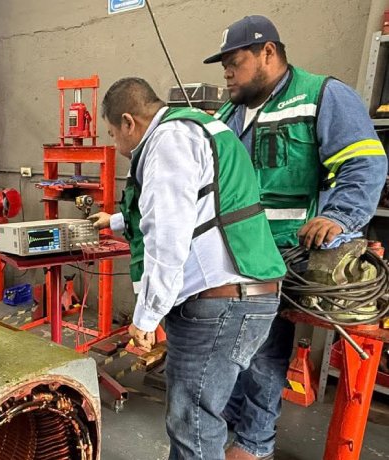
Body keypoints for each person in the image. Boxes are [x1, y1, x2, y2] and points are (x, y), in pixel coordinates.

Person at [202, 15, 387, 460]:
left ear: (269, 52)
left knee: (263, 352)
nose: (226, 72)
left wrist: (339, 217)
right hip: (234, 254)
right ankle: (224, 432)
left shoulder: (322, 95)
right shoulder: (228, 114)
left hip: (287, 253)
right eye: (223, 64)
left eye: (234, 61)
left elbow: (365, 163)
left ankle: (253, 444)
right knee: (226, 347)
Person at [97, 77, 287, 460]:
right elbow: (200, 206)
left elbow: (168, 237)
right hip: (248, 292)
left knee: (193, 425)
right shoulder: (198, 127)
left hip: (218, 303)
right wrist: (117, 221)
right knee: (208, 416)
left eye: (113, 133)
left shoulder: (168, 141)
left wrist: (147, 317)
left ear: (130, 122)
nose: (116, 145)